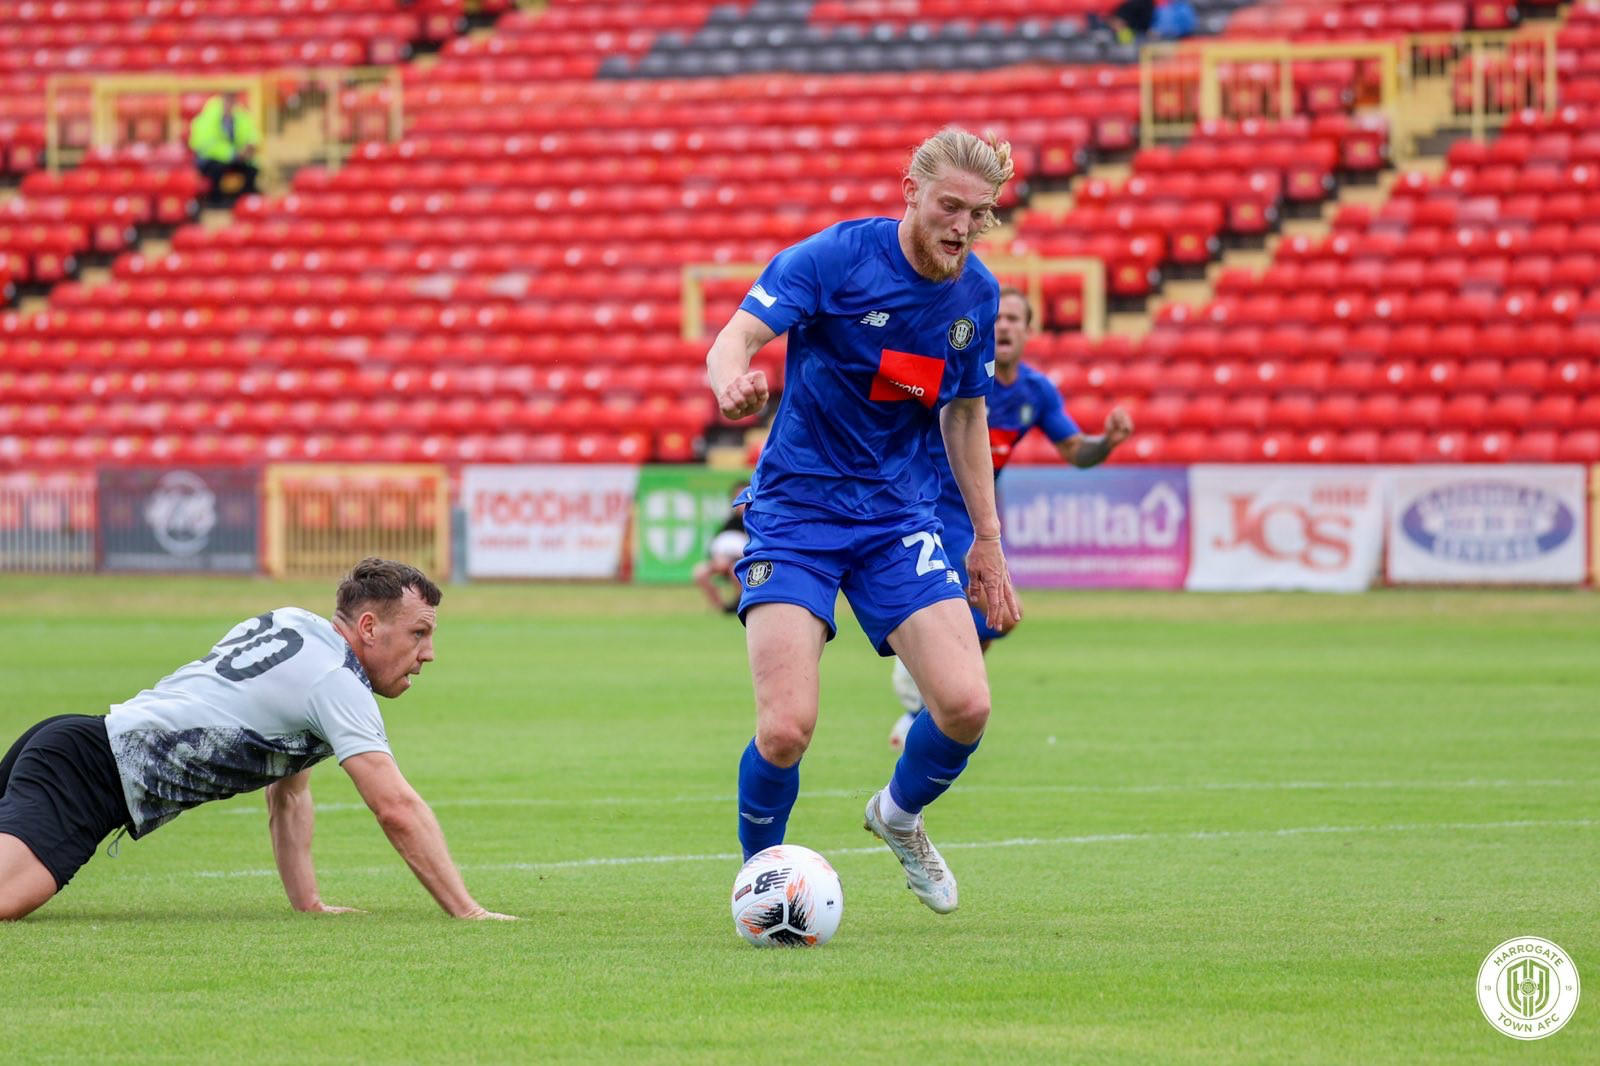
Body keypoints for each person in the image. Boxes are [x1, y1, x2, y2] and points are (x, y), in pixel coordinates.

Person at [705, 127, 1022, 915]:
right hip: (796, 513)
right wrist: (730, 381)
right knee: (785, 729)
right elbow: (737, 335)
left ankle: (899, 817)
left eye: (979, 214)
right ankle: (764, 881)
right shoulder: (836, 259)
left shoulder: (975, 295)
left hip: (896, 521)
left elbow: (965, 415)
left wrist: (987, 540)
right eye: (950, 205)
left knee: (966, 704)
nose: (962, 225)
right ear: (910, 192)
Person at [0, 558, 514, 922]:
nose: (429, 654)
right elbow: (395, 807)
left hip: (70, 742)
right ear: (369, 627)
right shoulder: (335, 680)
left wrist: (307, 903)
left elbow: (288, 792)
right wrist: (468, 910)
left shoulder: (294, 624)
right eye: (419, 634)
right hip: (87, 775)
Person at [888, 287, 1134, 748]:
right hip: (922, 502)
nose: (1004, 326)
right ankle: (926, 697)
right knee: (975, 607)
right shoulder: (954, 371)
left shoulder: (1034, 392)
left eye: (1015, 319)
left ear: (1028, 330)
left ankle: (922, 694)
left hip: (968, 512)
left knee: (999, 615)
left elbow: (1076, 451)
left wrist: (1108, 441)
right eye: (998, 317)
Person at [188, 91, 261, 204]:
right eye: (227, 99)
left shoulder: (240, 116)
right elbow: (208, 146)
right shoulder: (208, 117)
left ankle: (244, 200)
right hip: (210, 159)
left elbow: (251, 134)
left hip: (234, 157)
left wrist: (250, 146)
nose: (230, 104)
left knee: (252, 168)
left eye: (233, 100)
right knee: (217, 168)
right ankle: (216, 200)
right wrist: (233, 153)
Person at [692, 482, 749, 614]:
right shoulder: (728, 522)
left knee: (734, 570)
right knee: (700, 572)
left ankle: (740, 604)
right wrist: (718, 559)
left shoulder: (755, 521)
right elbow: (716, 545)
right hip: (723, 560)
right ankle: (721, 607)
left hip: (743, 562)